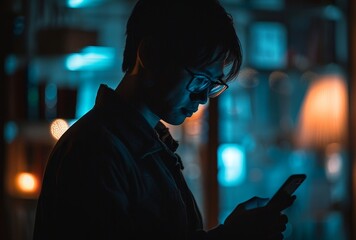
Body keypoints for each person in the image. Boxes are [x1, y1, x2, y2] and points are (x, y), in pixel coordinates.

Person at [33, 0, 296, 239]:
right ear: (150, 55)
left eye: (212, 84)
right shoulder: (95, 150)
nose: (204, 98)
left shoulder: (148, 144)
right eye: (200, 80)